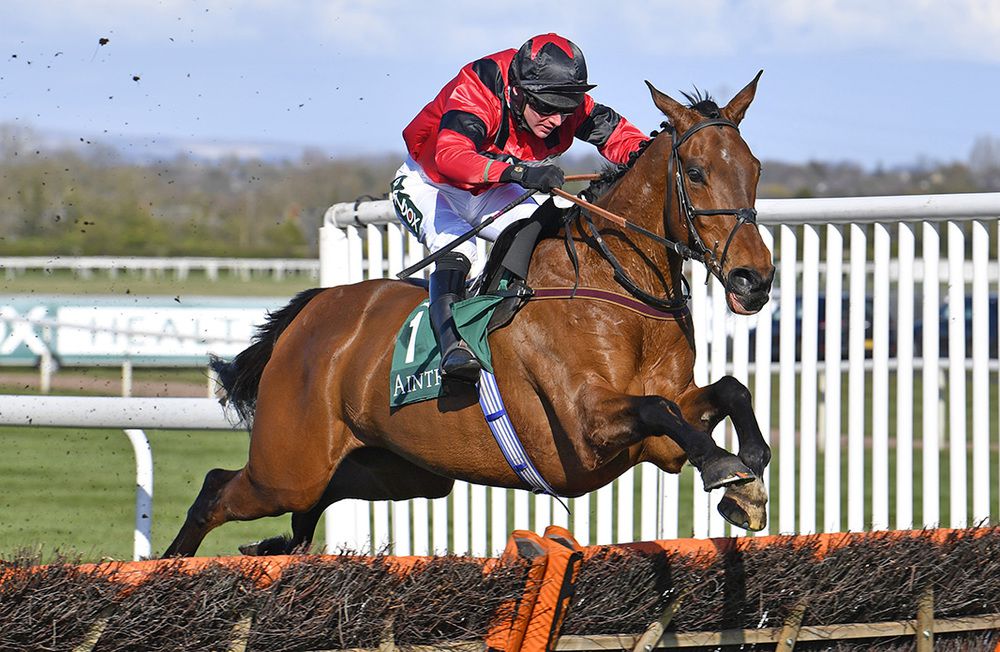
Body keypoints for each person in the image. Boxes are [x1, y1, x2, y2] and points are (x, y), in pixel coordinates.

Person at [391, 33, 648, 384]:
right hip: (430, 184)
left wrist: (652, 153)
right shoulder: (479, 86)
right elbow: (450, 157)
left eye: (565, 110)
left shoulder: (562, 101)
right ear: (516, 92)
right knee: (462, 250)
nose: (556, 120)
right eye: (546, 107)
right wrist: (520, 173)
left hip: (490, 187)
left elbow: (618, 135)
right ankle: (452, 346)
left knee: (547, 229)